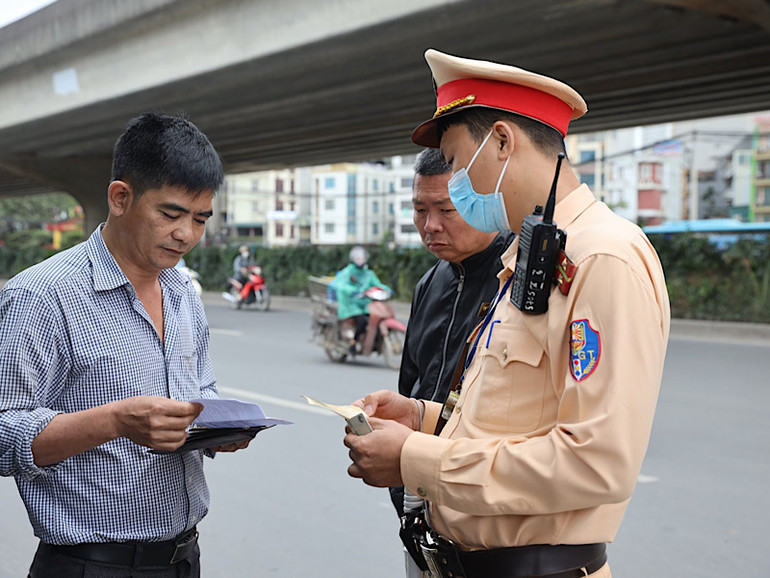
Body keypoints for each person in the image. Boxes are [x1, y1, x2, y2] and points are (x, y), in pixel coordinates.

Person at [344, 49, 670, 578]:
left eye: (452, 161)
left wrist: (416, 459)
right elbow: (519, 413)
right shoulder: (531, 253)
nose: (450, 179)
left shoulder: (602, 257)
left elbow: (597, 463)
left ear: (500, 141)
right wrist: (423, 419)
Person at [0, 112, 249, 578]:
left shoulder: (180, 292)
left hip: (183, 558)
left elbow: (201, 390)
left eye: (200, 219)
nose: (187, 235)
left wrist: (220, 428)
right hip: (90, 566)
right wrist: (113, 421)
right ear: (120, 197)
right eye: (171, 214)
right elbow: (1, 433)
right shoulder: (42, 295)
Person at [389, 148, 514, 520]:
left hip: (486, 505)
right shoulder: (430, 283)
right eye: (420, 209)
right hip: (420, 499)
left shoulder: (518, 280)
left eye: (446, 210)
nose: (430, 226)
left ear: (486, 200)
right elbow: (410, 388)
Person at [334, 246, 391, 352]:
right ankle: (353, 342)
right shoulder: (348, 272)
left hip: (365, 304)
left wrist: (386, 289)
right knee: (361, 321)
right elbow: (341, 285)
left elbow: (377, 284)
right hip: (350, 304)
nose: (360, 260)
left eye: (362, 258)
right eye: (357, 258)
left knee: (373, 318)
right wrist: (352, 291)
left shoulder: (368, 273)